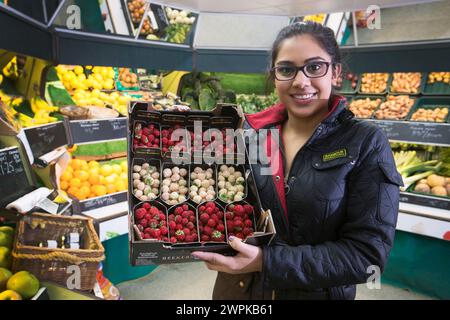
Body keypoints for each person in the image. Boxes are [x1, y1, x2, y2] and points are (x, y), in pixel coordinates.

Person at [191, 22, 403, 300]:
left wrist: (266, 262)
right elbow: (226, 205)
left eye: (315, 67)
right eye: (287, 69)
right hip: (239, 291)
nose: (301, 82)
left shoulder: (364, 142)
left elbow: (367, 256)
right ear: (275, 75)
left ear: (336, 71)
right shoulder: (251, 135)